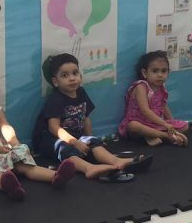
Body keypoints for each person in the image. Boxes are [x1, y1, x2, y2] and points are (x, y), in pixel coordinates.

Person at [0, 69, 75, 201]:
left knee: (23, 163)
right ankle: (8, 185)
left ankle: (56, 176)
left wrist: (15, 143)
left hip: (0, 149)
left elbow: (5, 126)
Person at [32, 53, 152, 182]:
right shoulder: (56, 99)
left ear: (80, 75)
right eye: (65, 75)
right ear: (55, 81)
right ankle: (89, 168)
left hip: (75, 135)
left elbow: (86, 118)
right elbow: (54, 128)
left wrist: (89, 139)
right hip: (51, 138)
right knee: (64, 148)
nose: (72, 78)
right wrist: (74, 142)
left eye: (75, 73)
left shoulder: (81, 92)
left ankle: (116, 161)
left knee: (93, 142)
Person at [118, 51, 190, 146]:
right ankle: (165, 136)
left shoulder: (161, 88)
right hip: (140, 122)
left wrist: (171, 127)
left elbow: (164, 106)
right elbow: (145, 110)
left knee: (185, 126)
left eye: (164, 71)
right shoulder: (141, 87)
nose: (160, 75)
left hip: (155, 124)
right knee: (133, 126)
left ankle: (151, 135)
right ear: (145, 73)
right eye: (155, 71)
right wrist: (165, 125)